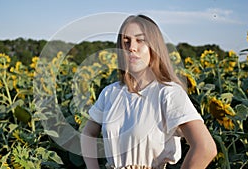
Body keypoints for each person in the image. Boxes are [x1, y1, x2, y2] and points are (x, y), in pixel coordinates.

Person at [81, 14, 217, 169]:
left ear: (154, 46)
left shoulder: (168, 93)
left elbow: (205, 148)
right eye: (126, 42)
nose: (131, 47)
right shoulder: (110, 93)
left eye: (140, 40)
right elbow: (88, 134)